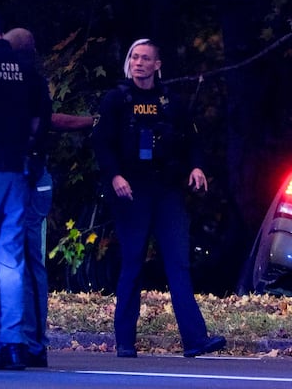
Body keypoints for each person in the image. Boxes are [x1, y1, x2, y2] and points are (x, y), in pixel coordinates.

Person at [92, 38, 226, 358]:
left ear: (157, 64)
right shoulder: (117, 99)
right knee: (133, 262)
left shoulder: (170, 102)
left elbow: (192, 140)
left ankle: (195, 340)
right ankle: (125, 341)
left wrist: (196, 167)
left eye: (145, 58)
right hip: (131, 191)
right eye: (134, 57)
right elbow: (101, 142)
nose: (138, 62)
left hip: (166, 190)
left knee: (178, 263)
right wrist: (114, 176)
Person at [0, 27, 96, 368]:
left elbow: (40, 124)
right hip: (24, 177)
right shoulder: (26, 82)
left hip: (28, 177)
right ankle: (20, 338)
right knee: (17, 259)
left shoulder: (27, 84)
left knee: (23, 258)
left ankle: (30, 341)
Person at [0, 9, 43, 370]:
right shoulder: (26, 70)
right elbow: (38, 120)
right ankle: (13, 345)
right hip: (16, 170)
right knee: (10, 259)